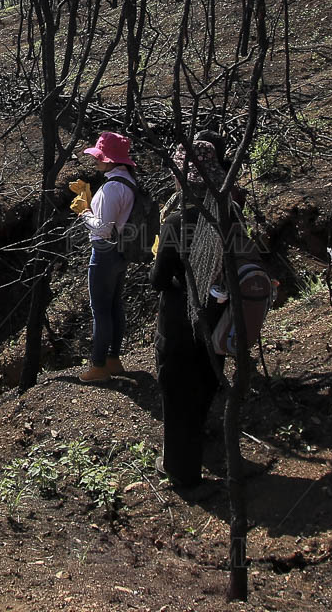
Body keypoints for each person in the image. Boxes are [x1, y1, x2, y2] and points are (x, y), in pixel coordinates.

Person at [148, 136, 237, 491]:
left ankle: (181, 471)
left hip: (181, 322)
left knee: (177, 393)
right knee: (203, 386)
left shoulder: (177, 221)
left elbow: (158, 279)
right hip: (217, 321)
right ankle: (198, 449)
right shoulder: (229, 212)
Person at [76, 132, 139, 383]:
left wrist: (84, 212)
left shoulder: (113, 186)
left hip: (105, 251)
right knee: (114, 305)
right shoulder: (128, 182)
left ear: (110, 159)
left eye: (99, 157)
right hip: (121, 251)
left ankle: (99, 365)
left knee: (100, 309)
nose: (96, 161)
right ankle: (113, 359)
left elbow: (103, 228)